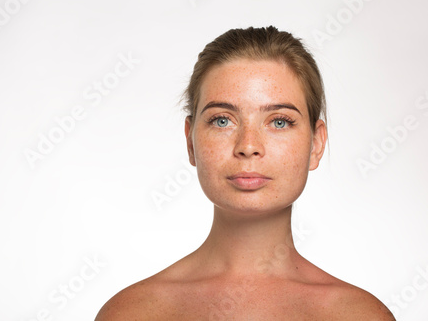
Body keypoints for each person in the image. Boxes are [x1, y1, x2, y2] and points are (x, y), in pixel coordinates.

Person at [95, 26, 395, 320]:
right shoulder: (132, 313)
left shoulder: (360, 315)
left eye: (279, 122)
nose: (248, 146)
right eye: (223, 120)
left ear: (316, 144)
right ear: (190, 141)